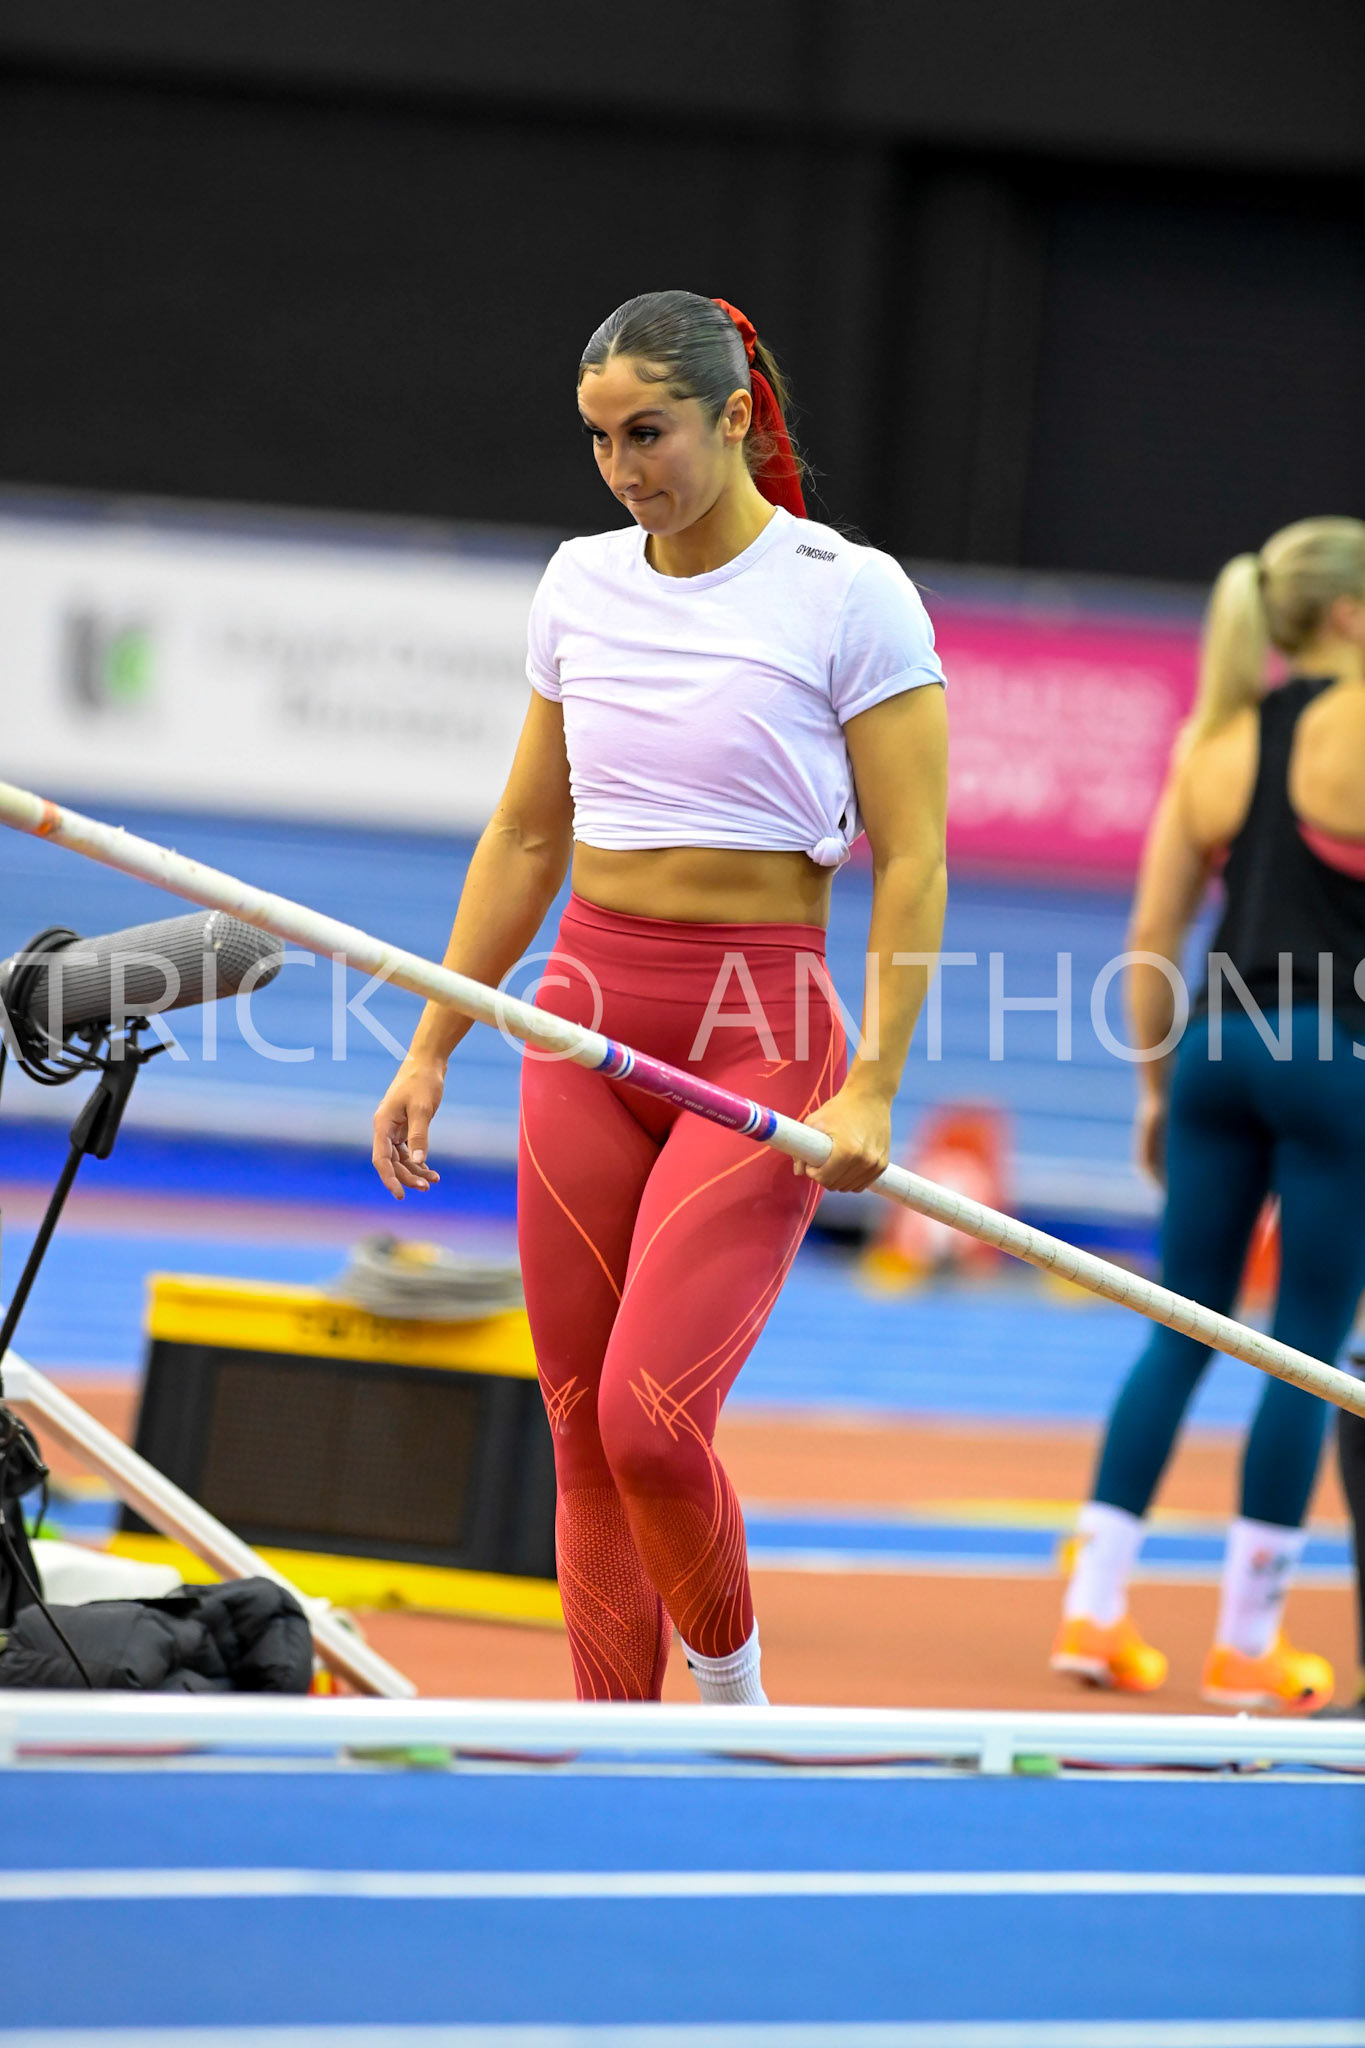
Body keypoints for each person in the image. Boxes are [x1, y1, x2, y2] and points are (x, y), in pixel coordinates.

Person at [372, 291, 948, 1705]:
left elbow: (917, 852)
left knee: (647, 1421)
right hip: (581, 1023)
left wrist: (875, 1078)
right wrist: (435, 1039)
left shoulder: (844, 591)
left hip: (761, 1040)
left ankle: (736, 1712)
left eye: (650, 433)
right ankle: (608, 1757)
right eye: (598, 441)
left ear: (736, 417)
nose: (625, 468)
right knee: (576, 1427)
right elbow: (524, 836)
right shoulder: (579, 583)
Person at [1054, 517, 1365, 1713]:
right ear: (1343, 613)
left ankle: (1094, 1609)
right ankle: (1246, 1640)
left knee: (1177, 1327)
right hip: (1336, 1052)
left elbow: (1150, 936)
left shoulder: (1217, 740)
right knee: (1304, 1343)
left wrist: (1149, 1087)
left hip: (1212, 1050)